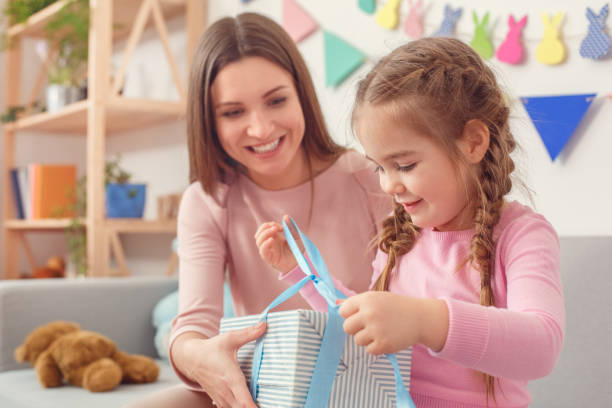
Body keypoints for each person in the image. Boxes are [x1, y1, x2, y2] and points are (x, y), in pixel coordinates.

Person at [256, 37, 565, 407]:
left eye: (404, 165)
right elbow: (363, 330)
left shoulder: (521, 235)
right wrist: (303, 271)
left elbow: (541, 346)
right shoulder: (399, 240)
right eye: (378, 167)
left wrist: (424, 321)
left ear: (473, 142)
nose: (388, 185)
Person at [125, 12, 390, 408]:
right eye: (233, 112)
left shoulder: (367, 176)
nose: (261, 129)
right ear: (210, 122)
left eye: (276, 100)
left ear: (301, 94)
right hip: (264, 388)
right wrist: (203, 358)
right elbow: (192, 328)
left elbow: (414, 295)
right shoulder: (208, 200)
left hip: (367, 384)